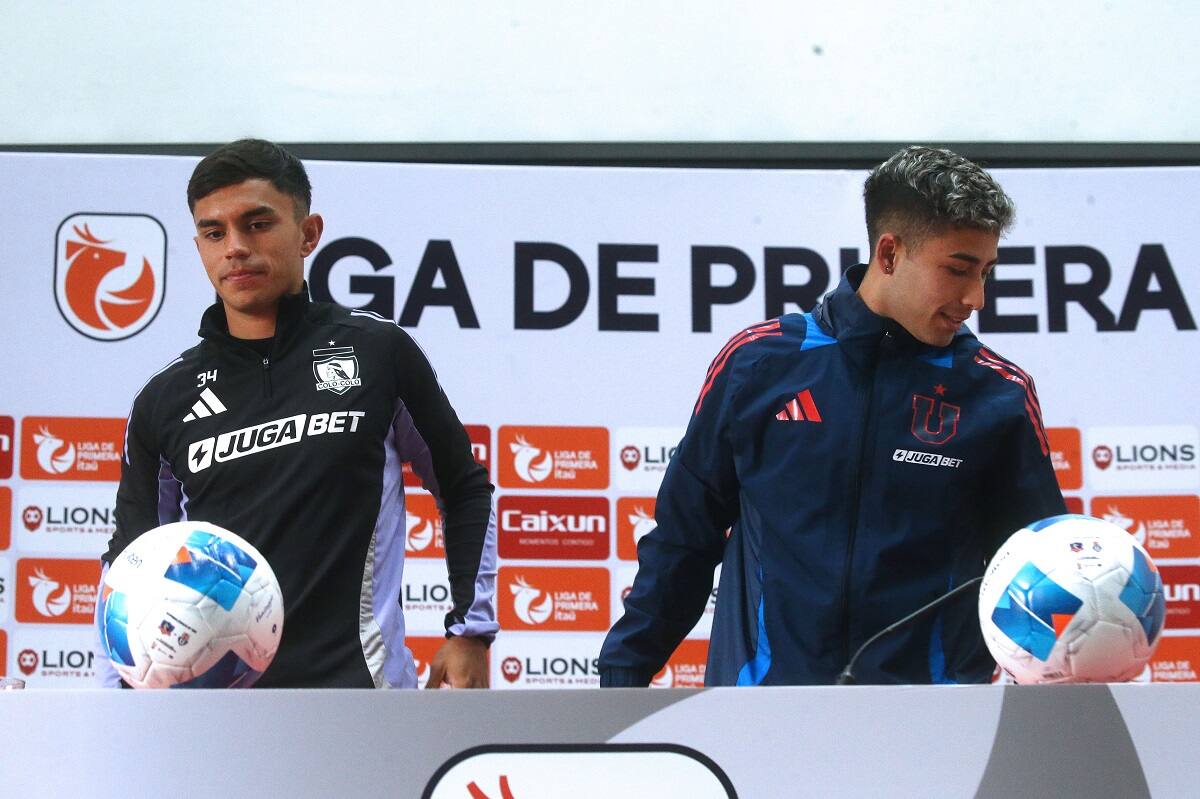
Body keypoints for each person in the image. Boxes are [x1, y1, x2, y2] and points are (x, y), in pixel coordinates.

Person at [599, 146, 1066, 686]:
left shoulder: (998, 393)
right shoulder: (760, 365)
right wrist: (621, 682)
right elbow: (684, 540)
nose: (977, 297)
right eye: (958, 269)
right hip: (761, 716)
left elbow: (1043, 578)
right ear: (889, 254)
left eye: (986, 272)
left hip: (939, 732)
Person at [96, 139, 496, 688]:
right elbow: (129, 559)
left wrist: (469, 632)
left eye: (257, 224)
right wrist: (124, 683)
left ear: (308, 233)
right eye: (215, 233)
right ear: (200, 247)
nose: (235, 247)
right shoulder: (164, 398)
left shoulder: (377, 351)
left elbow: (463, 485)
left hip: (362, 696)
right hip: (212, 709)